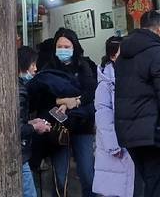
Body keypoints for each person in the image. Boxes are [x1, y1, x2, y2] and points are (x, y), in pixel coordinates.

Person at [114, 10, 160, 197]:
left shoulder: (123, 55)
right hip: (154, 133)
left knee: (152, 185)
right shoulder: (157, 52)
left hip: (130, 134)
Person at [28, 28, 97, 197]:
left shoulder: (84, 66)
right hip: (58, 128)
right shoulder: (47, 69)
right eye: (60, 47)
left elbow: (91, 93)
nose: (63, 50)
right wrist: (62, 102)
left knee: (88, 174)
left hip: (82, 126)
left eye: (67, 47)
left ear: (75, 47)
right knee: (60, 176)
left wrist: (76, 102)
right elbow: (42, 101)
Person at [93, 36, 136, 197]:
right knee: (116, 188)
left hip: (128, 142)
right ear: (112, 56)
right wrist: (113, 146)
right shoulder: (105, 84)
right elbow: (103, 118)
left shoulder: (127, 76)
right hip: (114, 147)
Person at [18, 46, 52, 197]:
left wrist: (31, 122)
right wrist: (35, 127)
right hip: (20, 154)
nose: (35, 69)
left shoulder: (19, 87)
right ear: (23, 64)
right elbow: (16, 129)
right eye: (33, 64)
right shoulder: (20, 91)